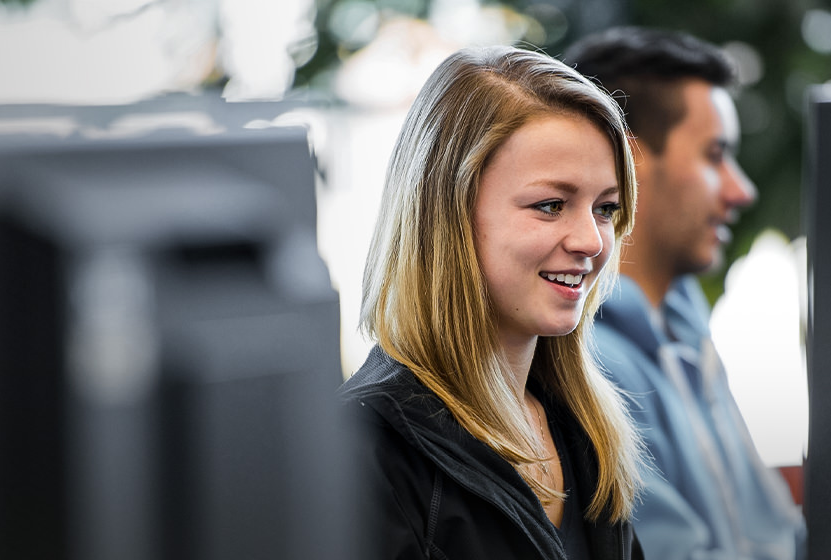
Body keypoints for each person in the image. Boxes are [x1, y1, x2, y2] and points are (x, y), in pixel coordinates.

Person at [337, 45, 645, 559]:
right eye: (551, 206)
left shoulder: (582, 427)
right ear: (448, 213)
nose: (592, 241)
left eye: (606, 208)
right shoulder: (366, 451)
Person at [564, 27, 806, 560]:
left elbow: (772, 531)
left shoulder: (684, 328)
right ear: (628, 160)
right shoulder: (587, 363)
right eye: (715, 155)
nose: (742, 189)